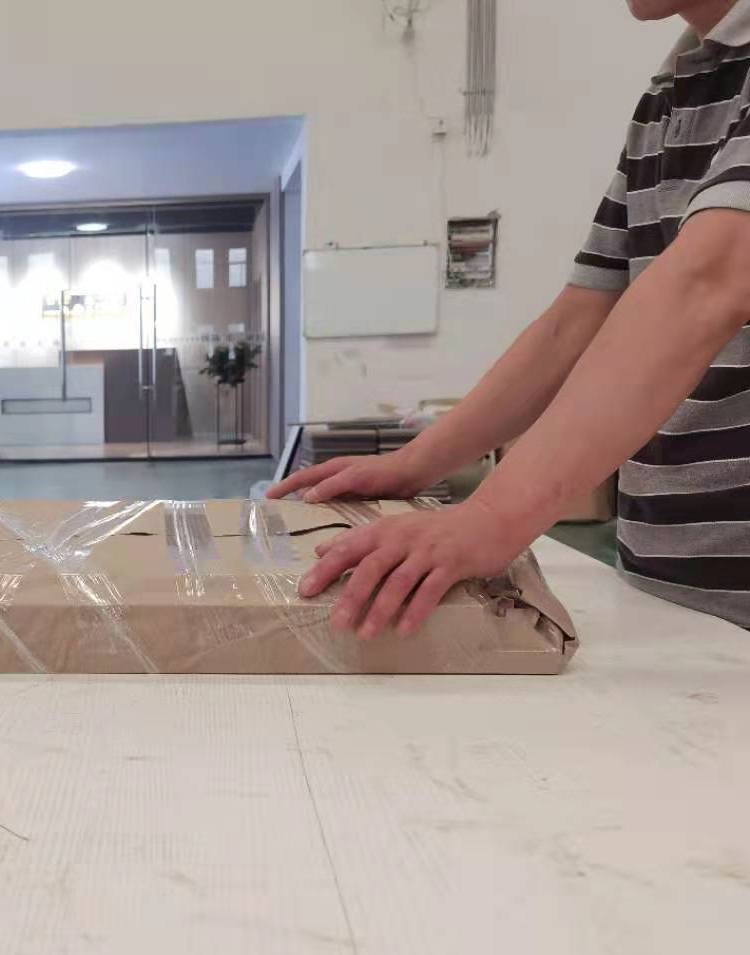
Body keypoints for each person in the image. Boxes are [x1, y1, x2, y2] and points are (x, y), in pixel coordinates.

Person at [268, 0, 750, 640]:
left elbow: (709, 281)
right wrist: (417, 464)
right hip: (666, 573)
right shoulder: (673, 90)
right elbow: (577, 320)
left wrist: (492, 516)